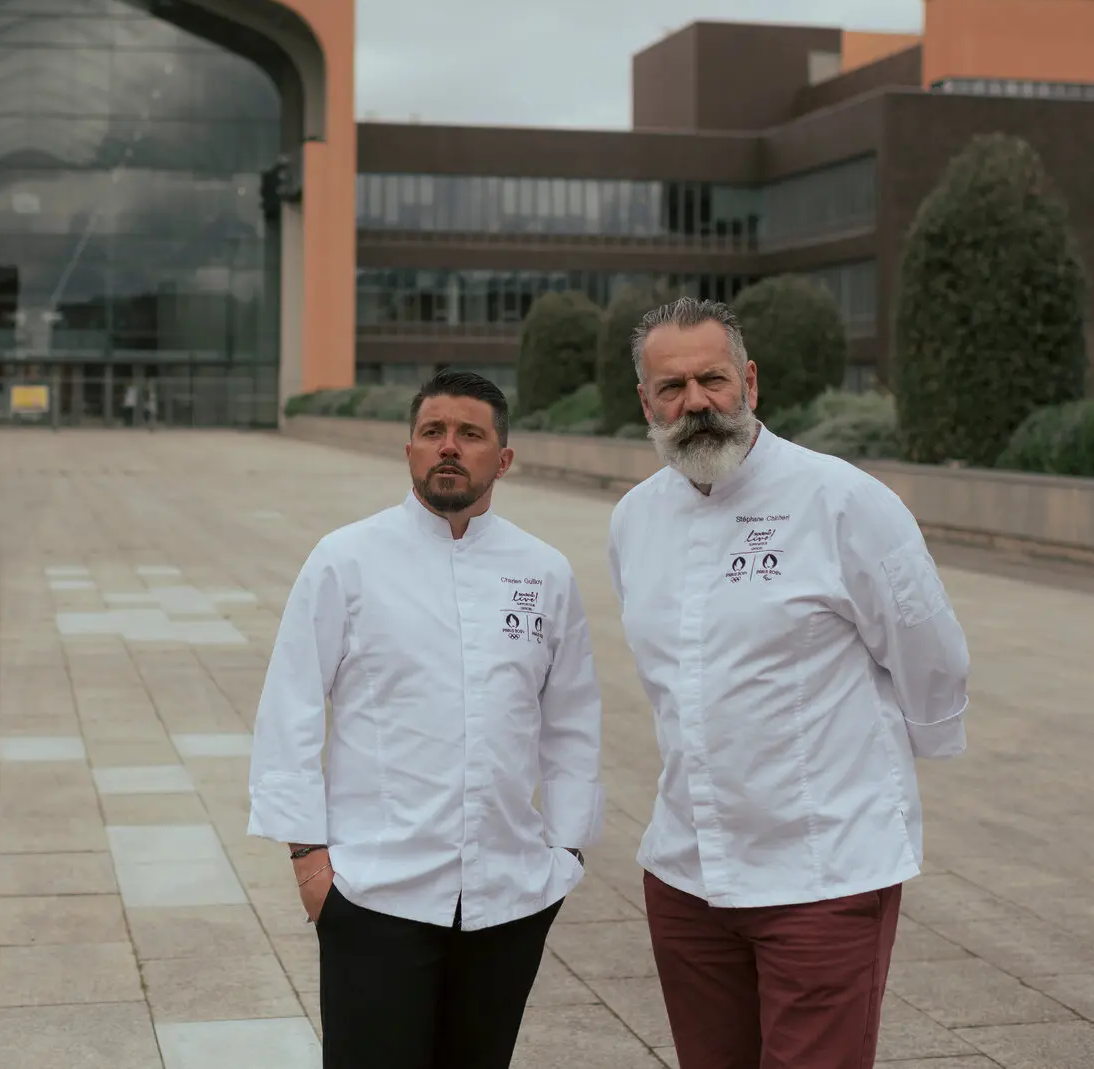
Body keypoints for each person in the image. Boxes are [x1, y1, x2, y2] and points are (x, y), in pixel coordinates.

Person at [609, 297, 970, 1069]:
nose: (695, 403)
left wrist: (903, 755)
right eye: (671, 388)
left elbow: (931, 652)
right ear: (645, 402)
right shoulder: (633, 521)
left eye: (713, 378)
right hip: (687, 875)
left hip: (822, 872)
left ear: (750, 380)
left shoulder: (841, 500)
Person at [249, 368, 604, 1069]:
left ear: (502, 458)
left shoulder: (545, 571)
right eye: (432, 432)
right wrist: (308, 862)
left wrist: (567, 852)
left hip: (508, 896)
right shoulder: (345, 560)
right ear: (408, 448)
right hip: (375, 890)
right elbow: (288, 705)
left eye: (470, 434)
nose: (449, 446)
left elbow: (572, 719)